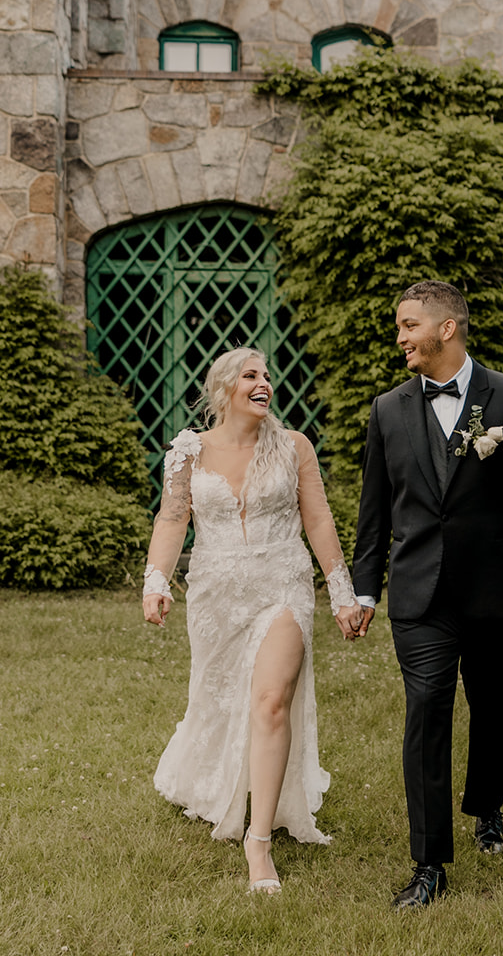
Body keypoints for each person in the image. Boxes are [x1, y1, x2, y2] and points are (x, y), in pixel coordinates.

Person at [351, 280, 503, 910]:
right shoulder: (388, 410)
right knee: (426, 714)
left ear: (447, 328)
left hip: (495, 594)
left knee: (494, 707)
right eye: (399, 326)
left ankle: (487, 807)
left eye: (409, 325)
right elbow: (373, 512)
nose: (401, 338)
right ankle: (428, 864)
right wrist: (365, 590)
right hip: (419, 597)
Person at [142, 346, 363, 894]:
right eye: (251, 375)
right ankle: (217, 781)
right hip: (216, 596)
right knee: (217, 702)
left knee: (271, 701)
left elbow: (317, 517)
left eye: (266, 375)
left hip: (281, 588)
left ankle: (258, 841)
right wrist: (156, 582)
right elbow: (172, 520)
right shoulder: (188, 452)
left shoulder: (293, 447)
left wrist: (341, 594)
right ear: (224, 389)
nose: (264, 383)